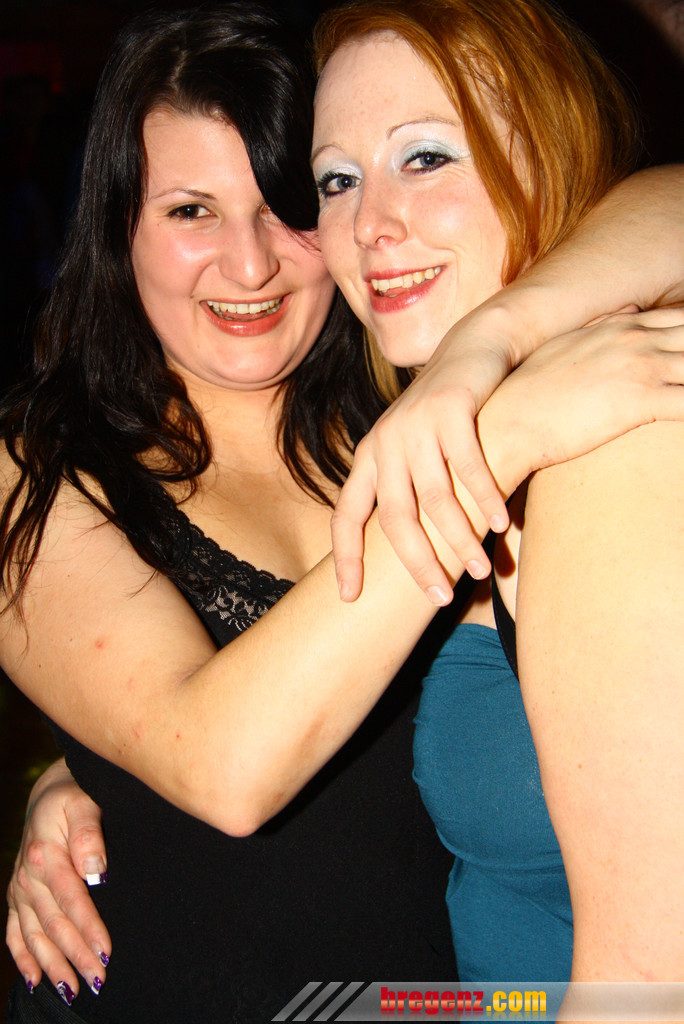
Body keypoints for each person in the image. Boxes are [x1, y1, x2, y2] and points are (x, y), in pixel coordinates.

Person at [3, 3, 684, 1021]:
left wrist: (489, 349)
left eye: (286, 206)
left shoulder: (407, 405)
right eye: (190, 212)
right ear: (116, 228)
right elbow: (220, 764)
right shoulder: (40, 464)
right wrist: (81, 765)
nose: (249, 265)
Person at [309, 0, 684, 990]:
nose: (368, 223)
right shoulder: (418, 439)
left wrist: (492, 338)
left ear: (553, 154)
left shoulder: (617, 438)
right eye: (337, 179)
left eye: (426, 157)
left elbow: (648, 990)